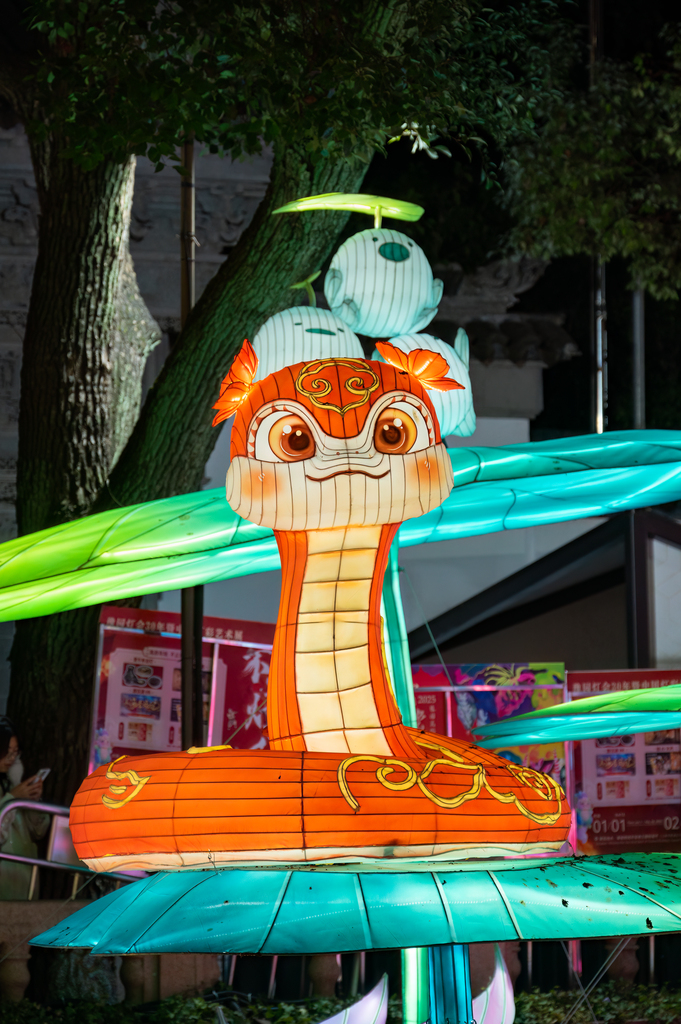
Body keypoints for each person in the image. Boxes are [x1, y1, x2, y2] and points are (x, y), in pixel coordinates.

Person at [0, 716, 48, 899]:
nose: (11, 759)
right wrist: (13, 798)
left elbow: (39, 831)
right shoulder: (12, 791)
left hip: (24, 882)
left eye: (15, 753)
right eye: (7, 752)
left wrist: (33, 799)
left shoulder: (11, 782)